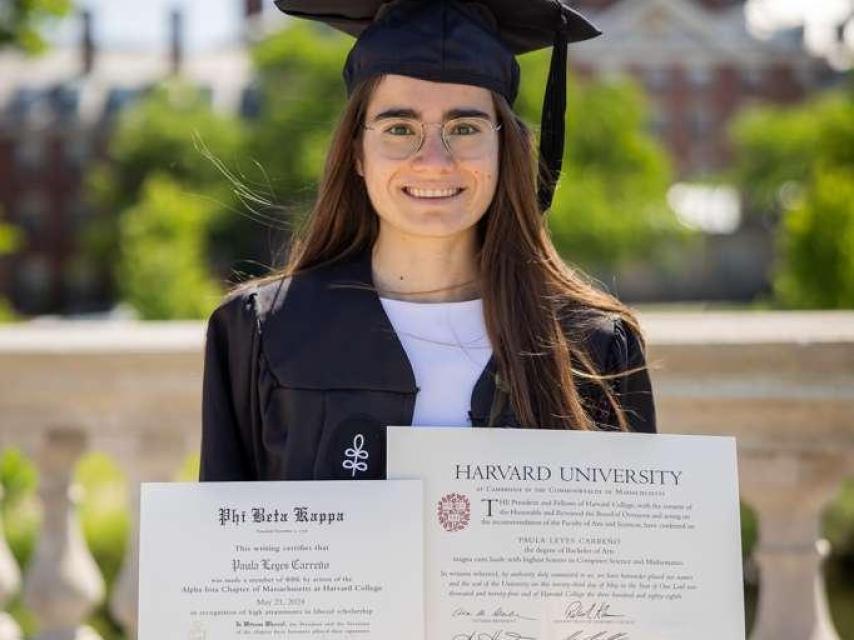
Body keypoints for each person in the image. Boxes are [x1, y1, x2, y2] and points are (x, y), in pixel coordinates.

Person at [199, 0, 656, 483]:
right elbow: (227, 549)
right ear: (357, 152)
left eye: (464, 128)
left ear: (506, 149)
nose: (434, 160)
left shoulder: (592, 348)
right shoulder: (264, 335)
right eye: (400, 128)